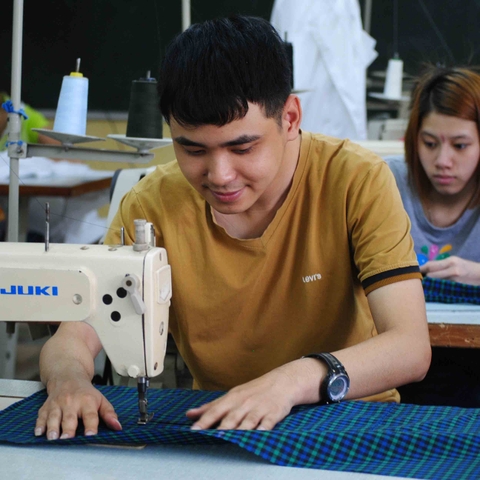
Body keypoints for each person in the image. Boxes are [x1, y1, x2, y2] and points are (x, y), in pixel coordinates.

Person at [35, 15, 430, 440]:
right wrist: (69, 380)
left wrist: (290, 382)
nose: (220, 175)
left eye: (242, 147)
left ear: (291, 118)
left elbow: (409, 346)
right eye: (192, 149)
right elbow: (76, 334)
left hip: (350, 419)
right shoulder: (151, 203)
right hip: (223, 425)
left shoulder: (355, 179)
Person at [385, 65, 480, 407]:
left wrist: (474, 274)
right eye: (429, 143)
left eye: (460, 145)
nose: (443, 161)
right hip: (393, 362)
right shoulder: (384, 183)